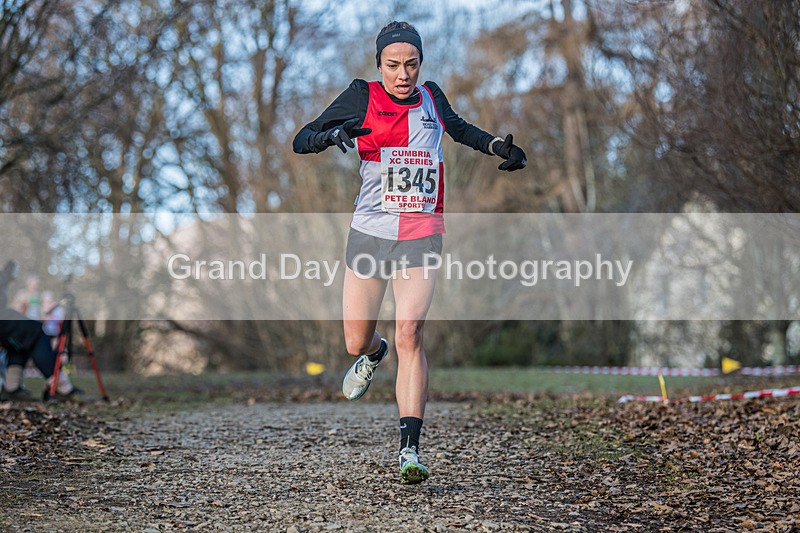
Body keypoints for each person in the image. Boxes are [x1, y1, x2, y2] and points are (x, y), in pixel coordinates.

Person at [293, 21, 526, 484]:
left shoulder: (432, 97)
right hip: (371, 231)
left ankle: (409, 450)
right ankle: (372, 354)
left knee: (411, 333)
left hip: (422, 231)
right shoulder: (362, 95)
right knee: (357, 342)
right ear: (379, 65)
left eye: (412, 64)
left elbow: (458, 130)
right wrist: (331, 136)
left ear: (421, 64)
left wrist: (499, 146)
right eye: (394, 65)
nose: (403, 74)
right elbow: (303, 139)